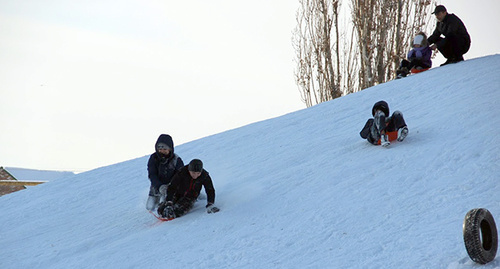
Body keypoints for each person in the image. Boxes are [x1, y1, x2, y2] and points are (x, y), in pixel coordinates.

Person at [146, 134, 184, 211]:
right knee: (150, 207)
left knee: (166, 200)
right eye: (159, 148)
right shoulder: (154, 158)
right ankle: (155, 198)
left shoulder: (176, 160)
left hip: (171, 186)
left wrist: (171, 186)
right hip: (156, 186)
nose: (162, 151)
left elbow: (180, 175)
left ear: (170, 149)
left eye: (165, 149)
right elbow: (152, 174)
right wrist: (159, 186)